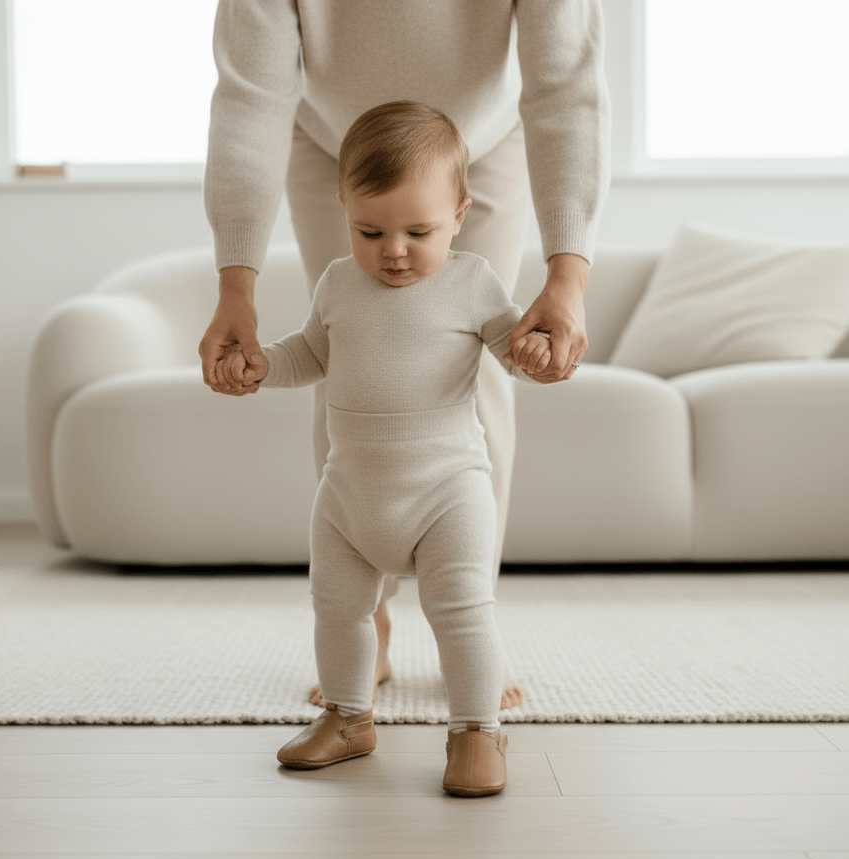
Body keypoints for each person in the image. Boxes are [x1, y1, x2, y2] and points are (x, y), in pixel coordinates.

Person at [199, 1, 610, 711]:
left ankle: (467, 617)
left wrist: (568, 276)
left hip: (485, 139)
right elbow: (252, 93)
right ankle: (367, 618)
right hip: (332, 142)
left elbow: (566, 80)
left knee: (477, 371)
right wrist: (236, 282)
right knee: (348, 356)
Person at [217, 101, 555, 795]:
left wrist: (536, 349)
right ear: (343, 207)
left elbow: (510, 350)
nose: (393, 249)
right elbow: (310, 353)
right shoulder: (339, 282)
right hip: (349, 494)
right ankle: (348, 718)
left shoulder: (472, 283)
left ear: (460, 214)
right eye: (369, 229)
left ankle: (476, 729)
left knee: (462, 610)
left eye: (418, 231)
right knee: (336, 604)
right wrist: (262, 366)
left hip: (447, 490)